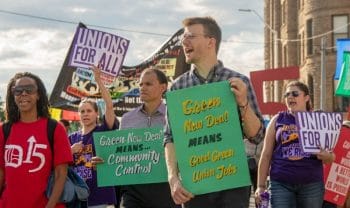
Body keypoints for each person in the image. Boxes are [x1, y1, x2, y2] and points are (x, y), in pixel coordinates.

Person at [164, 16, 265, 208]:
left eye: (191, 36)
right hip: (194, 184)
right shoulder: (178, 87)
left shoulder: (238, 81)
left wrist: (243, 103)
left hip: (232, 184)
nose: (184, 42)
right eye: (183, 38)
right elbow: (170, 138)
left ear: (211, 42)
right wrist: (173, 178)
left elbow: (257, 135)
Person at [92, 68, 179, 208]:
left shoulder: (175, 116)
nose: (142, 88)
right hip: (133, 191)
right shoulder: (127, 119)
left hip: (166, 189)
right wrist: (104, 163)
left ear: (163, 87)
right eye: (140, 84)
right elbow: (119, 153)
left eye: (148, 84)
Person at [255, 81, 335, 208]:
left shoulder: (318, 120)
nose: (290, 97)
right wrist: (260, 186)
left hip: (311, 185)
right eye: (287, 94)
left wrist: (325, 156)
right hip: (280, 184)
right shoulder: (277, 120)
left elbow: (331, 158)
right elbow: (266, 155)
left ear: (306, 97)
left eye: (295, 93)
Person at [0, 72, 73, 207]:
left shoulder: (55, 128)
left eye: (30, 89)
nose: (23, 93)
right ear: (13, 95)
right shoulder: (4, 130)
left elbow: (60, 174)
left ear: (38, 94)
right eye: (18, 90)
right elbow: (1, 172)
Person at [69, 65, 119, 208]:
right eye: (82, 111)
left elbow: (109, 106)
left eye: (89, 111)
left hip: (98, 197)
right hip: (76, 196)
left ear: (96, 113)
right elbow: (59, 162)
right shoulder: (71, 138)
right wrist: (70, 151)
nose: (85, 114)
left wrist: (98, 80)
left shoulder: (103, 130)